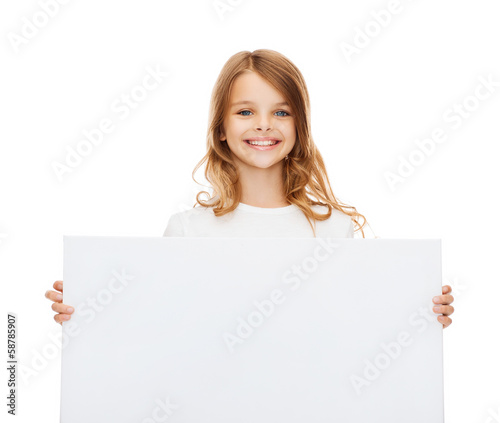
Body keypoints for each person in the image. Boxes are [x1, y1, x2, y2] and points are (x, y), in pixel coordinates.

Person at [45, 49, 454, 328]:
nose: (263, 124)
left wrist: (419, 312)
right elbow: (156, 324)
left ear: (299, 128)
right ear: (221, 128)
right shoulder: (188, 231)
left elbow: (357, 325)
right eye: (245, 112)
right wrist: (87, 308)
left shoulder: (335, 231)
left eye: (281, 111)